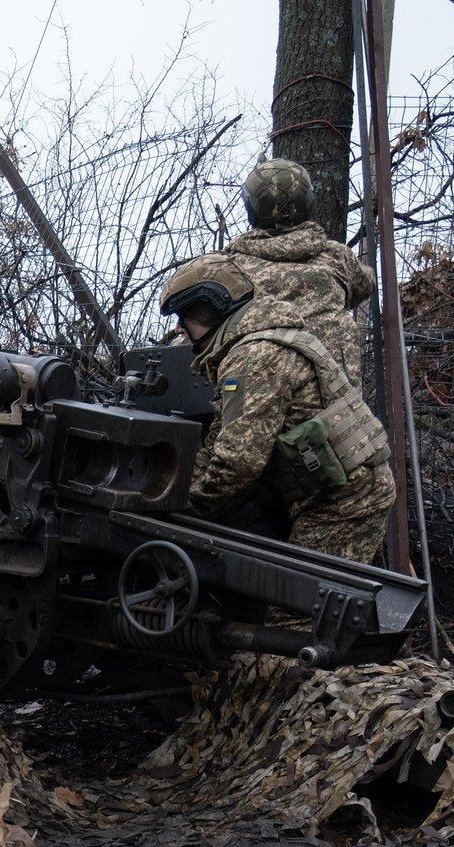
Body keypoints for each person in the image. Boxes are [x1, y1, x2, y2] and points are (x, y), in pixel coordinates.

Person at [160, 253, 394, 566]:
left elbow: (237, 464)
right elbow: (222, 440)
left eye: (184, 316)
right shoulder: (260, 341)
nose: (180, 329)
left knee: (304, 596)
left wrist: (175, 505)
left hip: (344, 501)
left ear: (209, 309)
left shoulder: (253, 358)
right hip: (338, 489)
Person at [223, 158, 375, 393]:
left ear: (251, 208)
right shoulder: (337, 256)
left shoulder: (228, 267)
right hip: (336, 406)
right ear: (308, 202)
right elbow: (366, 283)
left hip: (255, 401)